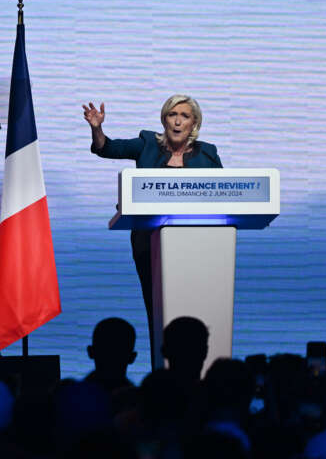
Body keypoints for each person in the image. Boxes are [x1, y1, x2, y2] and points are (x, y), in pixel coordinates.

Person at [82, 95, 222, 361]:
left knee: (197, 306)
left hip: (199, 243)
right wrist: (97, 128)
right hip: (150, 241)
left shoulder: (207, 154)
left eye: (184, 115)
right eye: (172, 115)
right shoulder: (147, 144)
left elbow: (225, 194)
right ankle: (163, 366)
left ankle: (198, 363)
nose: (178, 121)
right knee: (158, 307)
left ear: (194, 123)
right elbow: (107, 148)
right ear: (164, 119)